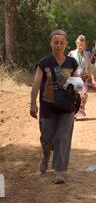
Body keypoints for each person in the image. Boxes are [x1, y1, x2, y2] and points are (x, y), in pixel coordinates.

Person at [30, 30, 79, 184]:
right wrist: (33, 104)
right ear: (51, 43)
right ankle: (45, 156)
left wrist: (82, 94)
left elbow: (77, 84)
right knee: (47, 139)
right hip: (47, 108)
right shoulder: (44, 62)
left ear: (66, 44)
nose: (58, 45)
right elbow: (36, 83)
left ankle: (59, 171)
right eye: (55, 42)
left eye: (61, 42)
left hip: (66, 108)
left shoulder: (72, 63)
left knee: (62, 138)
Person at [68, 34, 96, 118]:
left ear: (85, 45)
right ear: (76, 44)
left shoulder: (87, 55)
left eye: (82, 45)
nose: (80, 46)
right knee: (73, 96)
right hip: (73, 78)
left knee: (84, 95)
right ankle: (73, 113)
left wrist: (93, 79)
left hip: (83, 78)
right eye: (79, 45)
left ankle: (79, 110)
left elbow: (90, 68)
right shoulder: (71, 54)